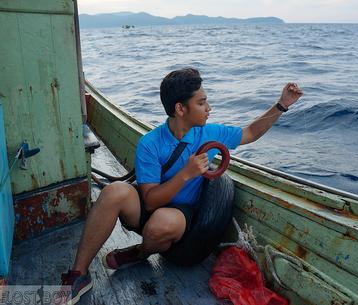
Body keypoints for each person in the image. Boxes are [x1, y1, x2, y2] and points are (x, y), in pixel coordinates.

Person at [60, 68, 303, 304]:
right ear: (180, 108)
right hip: (151, 204)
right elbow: (151, 200)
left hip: (178, 215)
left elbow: (250, 132)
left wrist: (282, 105)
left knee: (161, 224)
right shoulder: (150, 143)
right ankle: (78, 275)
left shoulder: (209, 133)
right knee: (113, 191)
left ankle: (141, 252)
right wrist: (186, 174)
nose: (209, 108)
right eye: (202, 103)